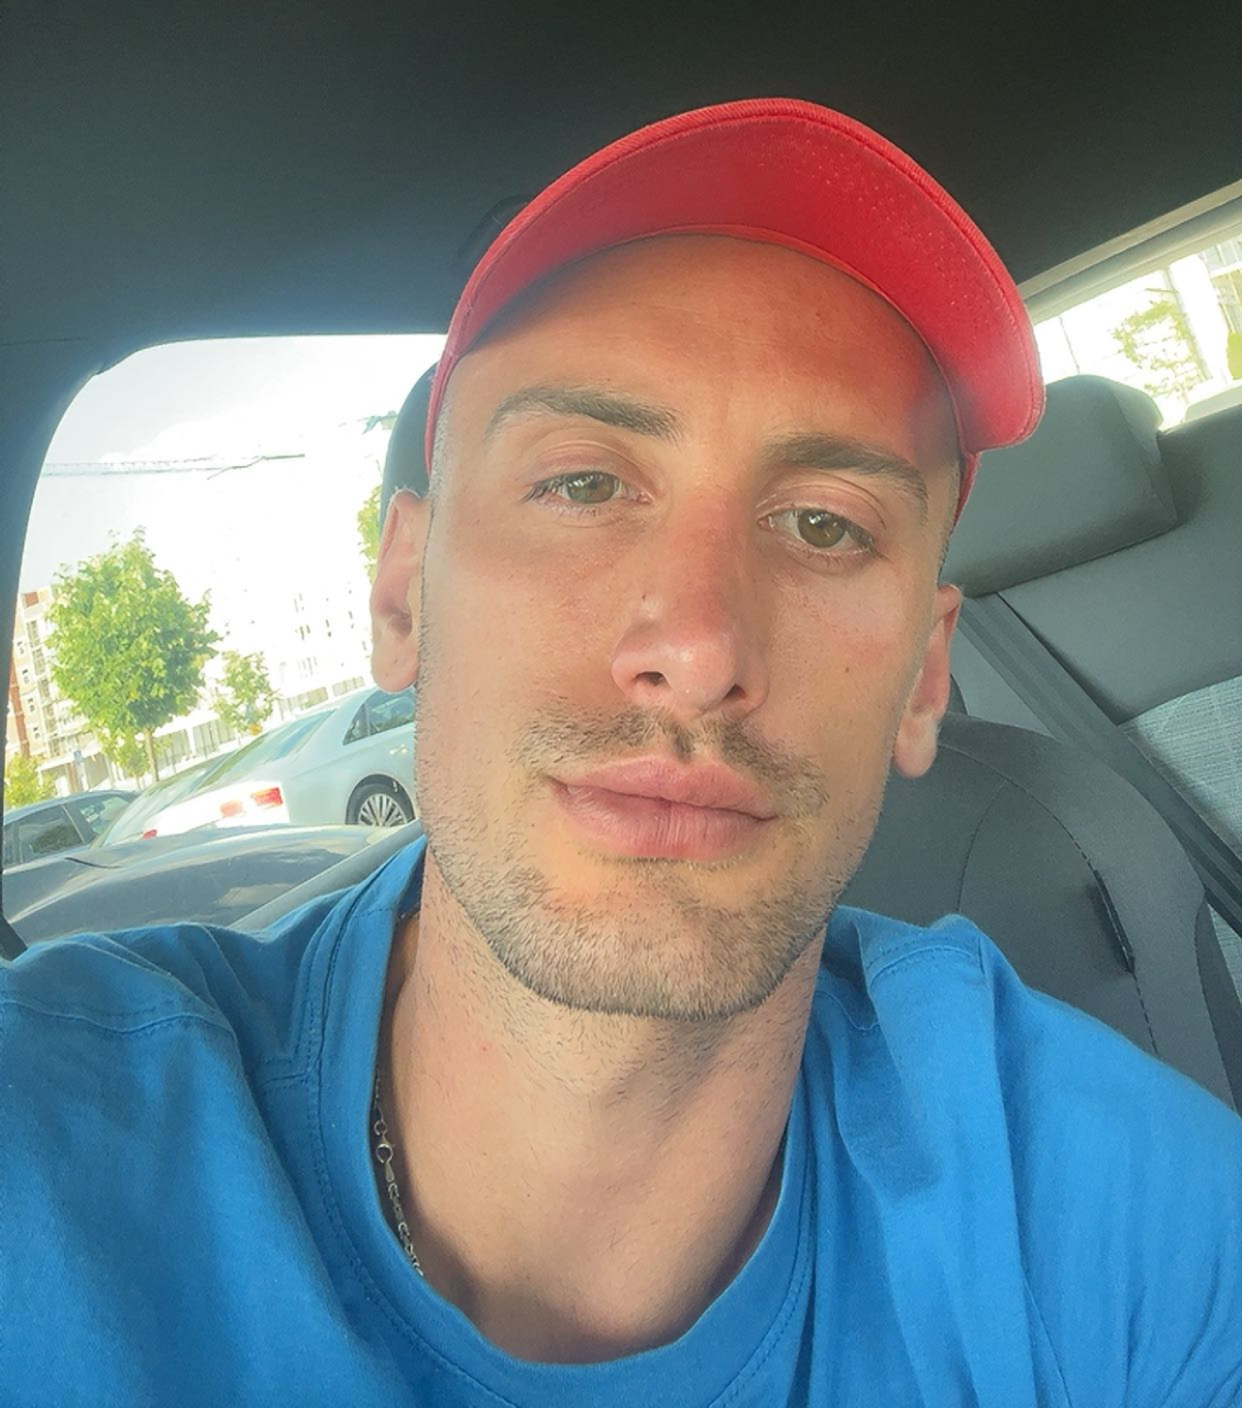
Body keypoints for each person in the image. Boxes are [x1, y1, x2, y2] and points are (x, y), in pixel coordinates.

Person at [1, 97, 1239, 1407]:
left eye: (824, 525)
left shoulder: (1117, 1224)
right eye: (583, 485)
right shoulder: (55, 1137)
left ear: (923, 677)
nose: (697, 648)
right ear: (403, 595)